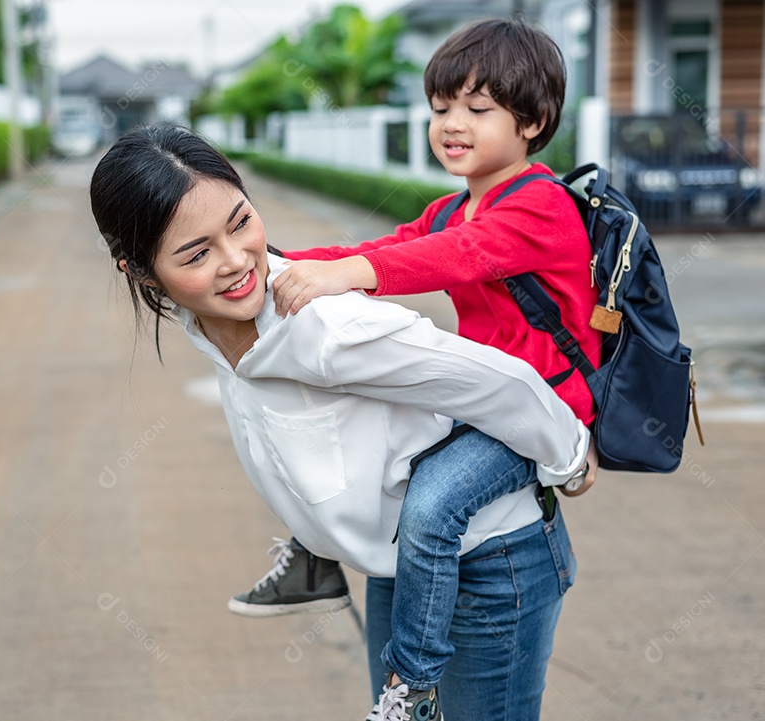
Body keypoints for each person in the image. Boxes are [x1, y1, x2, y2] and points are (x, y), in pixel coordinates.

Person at [89, 122, 589, 721]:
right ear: (140, 272)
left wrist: (570, 457)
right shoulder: (211, 327)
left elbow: (502, 383)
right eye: (196, 253)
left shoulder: (329, 330)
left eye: (241, 222)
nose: (235, 261)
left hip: (489, 563)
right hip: (400, 566)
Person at [231, 17, 602, 717]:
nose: (451, 124)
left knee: (433, 502)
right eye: (440, 109)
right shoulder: (455, 205)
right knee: (366, 459)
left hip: (542, 407)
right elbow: (393, 243)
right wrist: (271, 264)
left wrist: (351, 274)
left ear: (535, 121)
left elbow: (448, 259)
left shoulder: (541, 205)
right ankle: (316, 560)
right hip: (481, 400)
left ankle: (412, 684)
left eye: (477, 108)